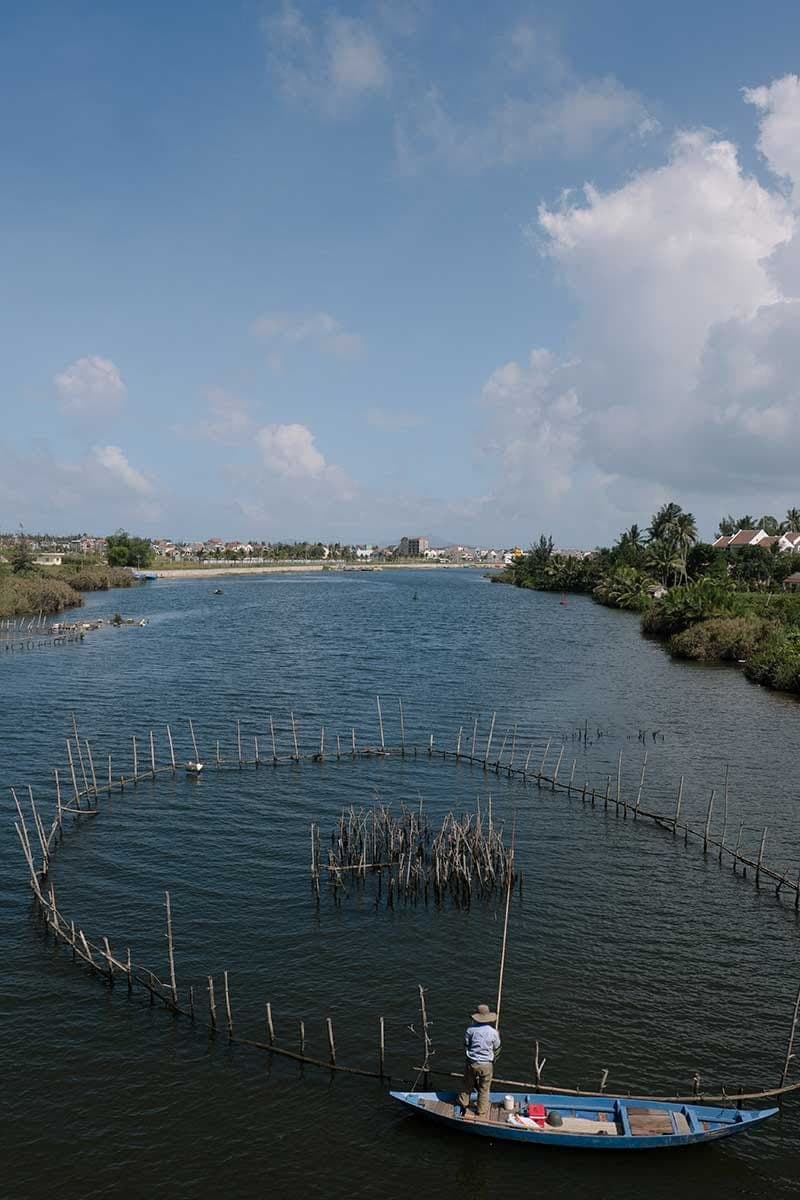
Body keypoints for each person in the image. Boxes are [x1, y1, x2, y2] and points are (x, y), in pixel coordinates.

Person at [457, 1004, 501, 1119]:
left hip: (472, 1062)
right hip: (486, 1064)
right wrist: (494, 1059)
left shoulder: (470, 1030)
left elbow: (466, 1044)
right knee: (484, 1089)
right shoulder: (493, 1032)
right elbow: (497, 1048)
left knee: (467, 1084)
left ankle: (463, 1103)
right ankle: (481, 1111)